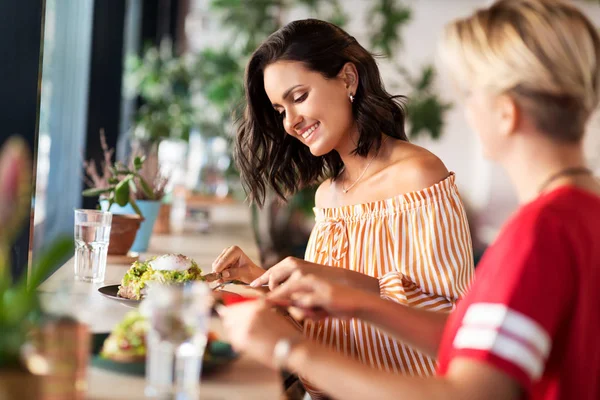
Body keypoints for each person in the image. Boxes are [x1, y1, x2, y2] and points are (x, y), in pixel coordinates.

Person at [219, 1, 600, 399]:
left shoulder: (537, 235)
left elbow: (469, 391)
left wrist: (290, 347)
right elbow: (464, 341)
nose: (467, 112)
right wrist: (341, 295)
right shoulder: (580, 214)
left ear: (506, 112)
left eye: (469, 93)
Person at [212, 17, 474, 397]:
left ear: (348, 79)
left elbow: (452, 322)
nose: (290, 123)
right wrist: (260, 282)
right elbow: (332, 330)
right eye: (280, 110)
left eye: (299, 97)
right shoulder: (327, 196)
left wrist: (331, 280)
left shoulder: (418, 176)